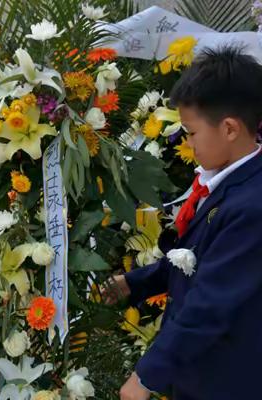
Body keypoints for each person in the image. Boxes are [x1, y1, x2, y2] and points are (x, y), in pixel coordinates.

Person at [109, 46, 262, 400]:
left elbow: (210, 302)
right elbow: (192, 256)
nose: (188, 144)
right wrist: (132, 283)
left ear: (228, 129)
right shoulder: (226, 179)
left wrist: (146, 377)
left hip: (229, 379)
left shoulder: (252, 206)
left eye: (191, 133)